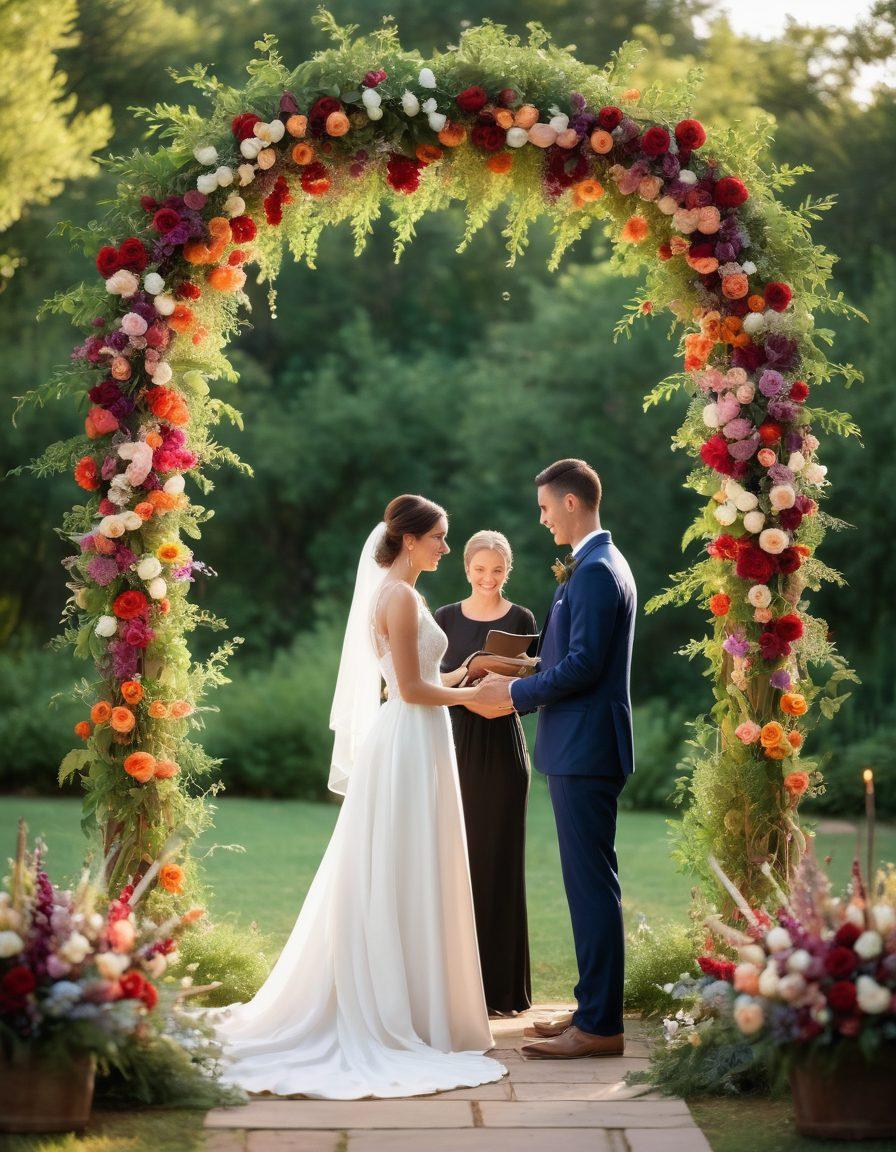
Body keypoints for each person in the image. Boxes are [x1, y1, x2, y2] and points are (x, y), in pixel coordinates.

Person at [206, 495, 506, 1098]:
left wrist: (469, 672)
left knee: (418, 865)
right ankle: (399, 1012)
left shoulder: (406, 594)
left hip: (422, 736)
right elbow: (411, 692)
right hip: (409, 740)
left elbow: (420, 681)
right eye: (441, 538)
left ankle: (425, 1009)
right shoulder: (396, 596)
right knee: (401, 866)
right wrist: (472, 699)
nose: (449, 548)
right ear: (412, 540)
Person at [476, 459, 637, 1060]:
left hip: (586, 749)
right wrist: (514, 668)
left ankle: (598, 1028)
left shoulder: (596, 571)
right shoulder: (595, 565)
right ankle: (592, 1009)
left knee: (592, 888)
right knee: (587, 885)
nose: (541, 519)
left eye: (545, 508)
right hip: (582, 745)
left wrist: (513, 696)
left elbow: (585, 667)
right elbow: (566, 656)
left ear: (572, 503)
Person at [434, 531, 535, 1016]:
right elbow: (426, 682)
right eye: (480, 569)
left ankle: (501, 992)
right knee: (455, 861)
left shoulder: (523, 619)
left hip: (502, 748)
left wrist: (509, 677)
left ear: (507, 571)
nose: (488, 578)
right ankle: (455, 990)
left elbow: (537, 681)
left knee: (499, 861)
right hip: (454, 744)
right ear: (466, 568)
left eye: (497, 570)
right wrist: (470, 672)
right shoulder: (445, 619)